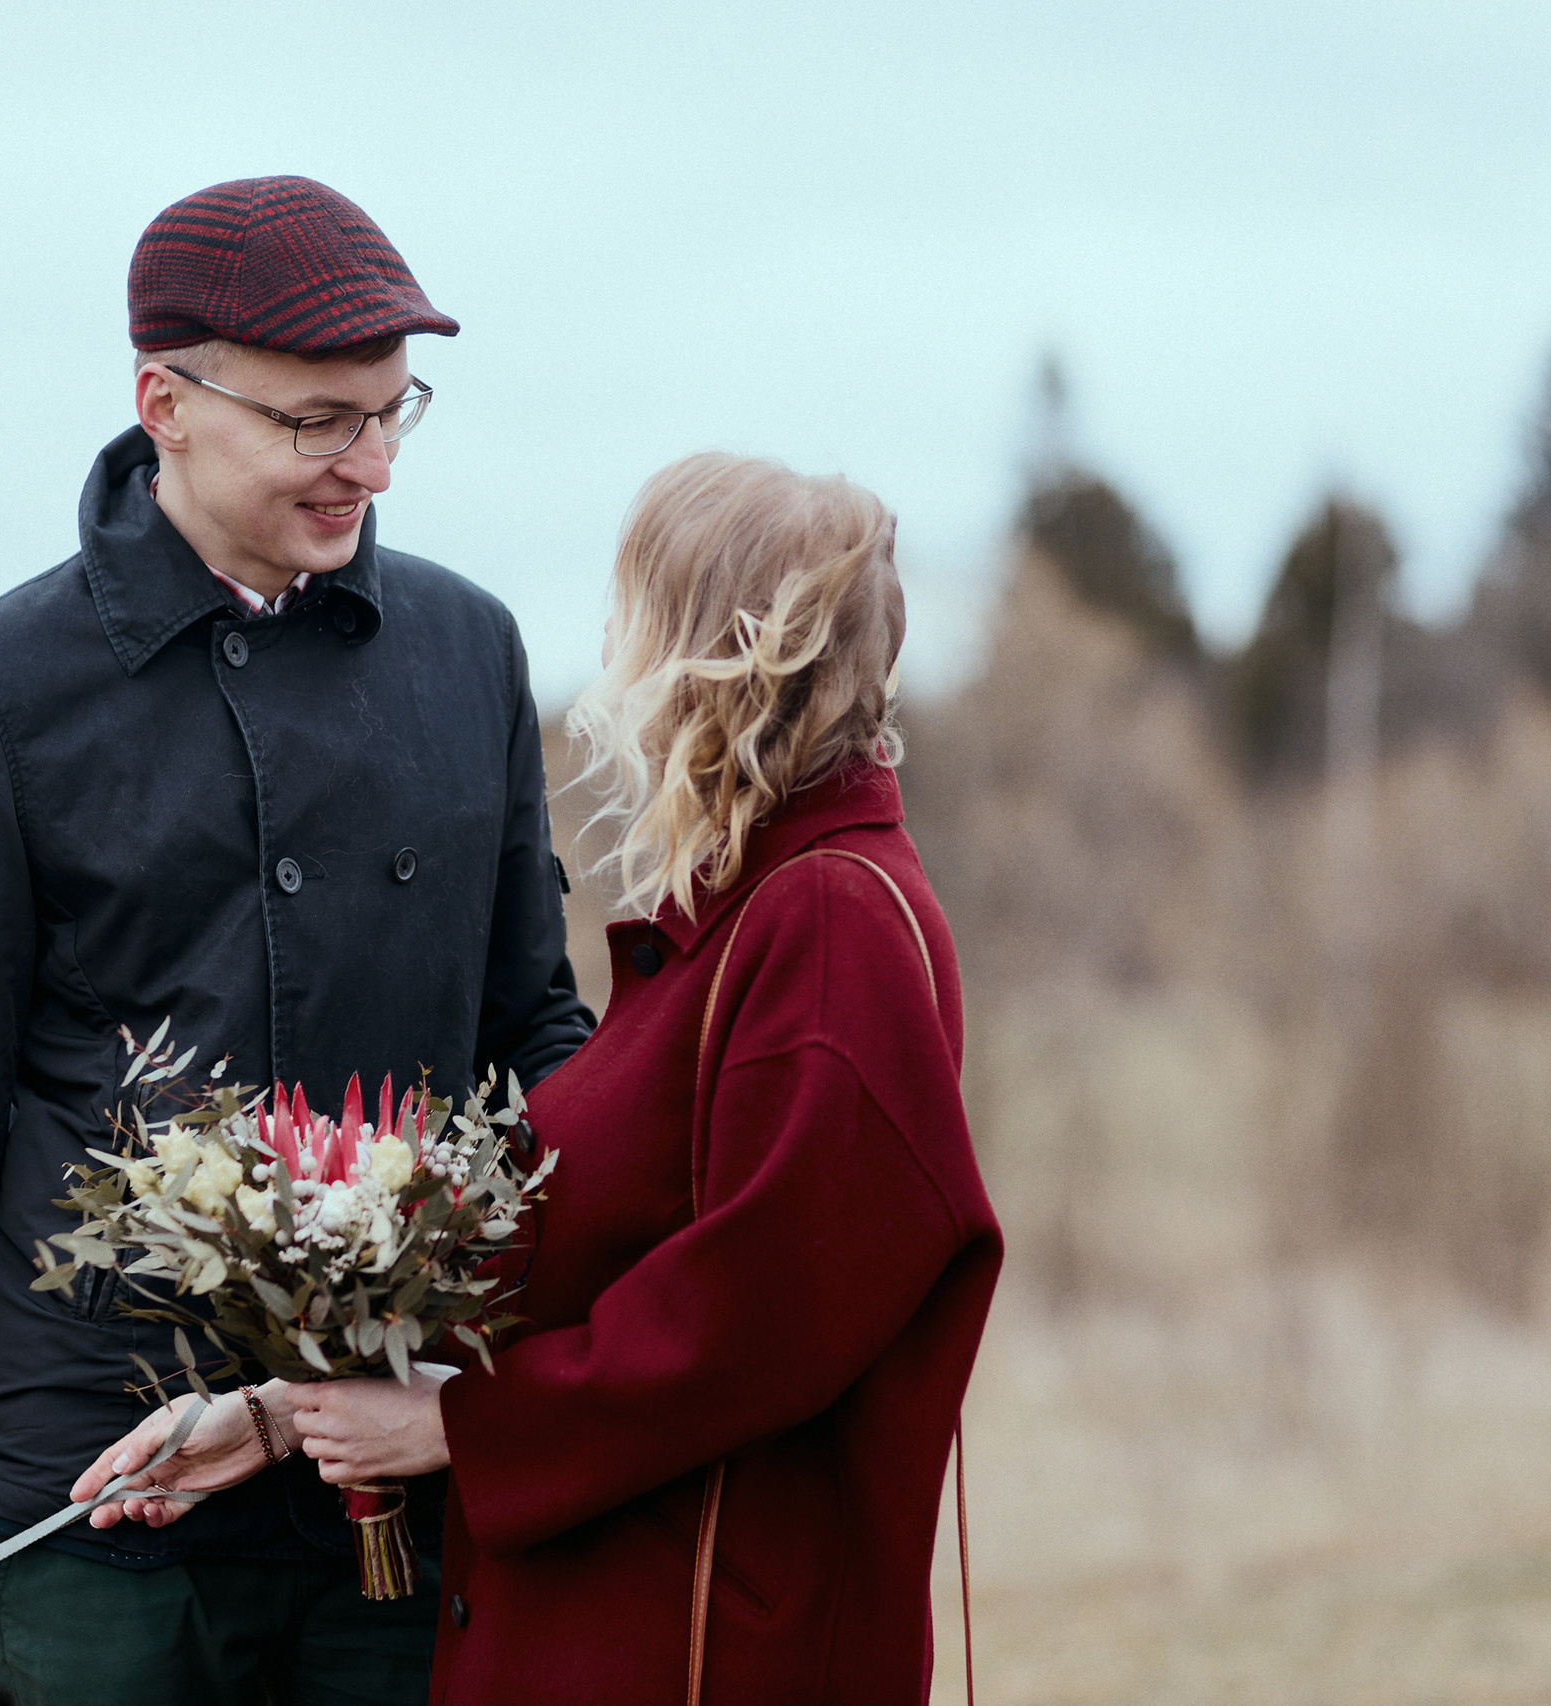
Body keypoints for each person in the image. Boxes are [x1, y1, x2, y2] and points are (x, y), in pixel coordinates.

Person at [0, 176, 594, 1706]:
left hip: (393, 1509)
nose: (369, 463)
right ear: (162, 401)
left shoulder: (469, 651)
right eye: (319, 421)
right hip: (85, 1516)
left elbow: (540, 1045)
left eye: (393, 412)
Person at [86, 452, 1002, 1705]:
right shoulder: (745, 911)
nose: (613, 656)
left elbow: (766, 1304)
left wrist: (462, 1428)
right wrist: (288, 1413)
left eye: (633, 615)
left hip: (706, 1647)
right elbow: (602, 1262)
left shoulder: (832, 919)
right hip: (615, 1622)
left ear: (710, 648)